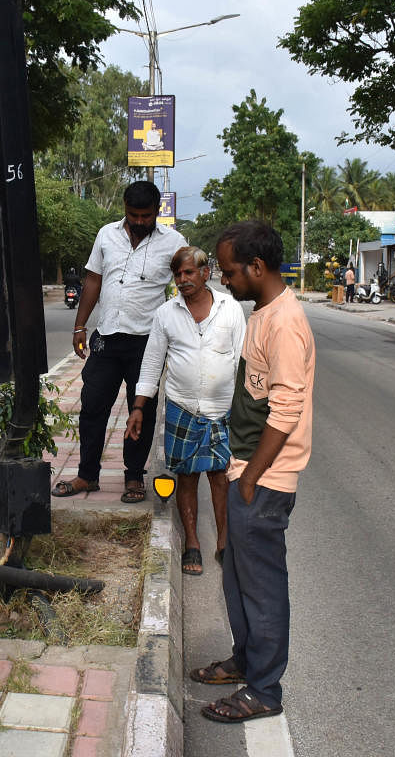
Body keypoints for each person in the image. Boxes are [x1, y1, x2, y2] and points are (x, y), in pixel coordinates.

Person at [191, 221, 316, 725]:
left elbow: (287, 408)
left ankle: (264, 689)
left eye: (228, 272)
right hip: (245, 469)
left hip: (263, 481)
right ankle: (245, 660)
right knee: (236, 574)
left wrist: (250, 477)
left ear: (257, 268)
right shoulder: (262, 315)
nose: (223, 281)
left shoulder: (285, 323)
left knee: (262, 586)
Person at [52, 181, 187, 504]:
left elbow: (186, 283)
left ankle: (133, 477)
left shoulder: (174, 242)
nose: (139, 221)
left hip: (148, 343)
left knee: (143, 410)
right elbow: (94, 280)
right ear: (124, 208)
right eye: (133, 214)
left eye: (146, 215)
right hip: (107, 338)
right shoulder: (106, 235)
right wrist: (79, 325)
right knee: (93, 406)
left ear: (157, 212)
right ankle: (87, 475)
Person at [126, 246, 245, 576]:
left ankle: (224, 543)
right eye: (178, 274)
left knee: (222, 479)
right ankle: (192, 542)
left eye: (189, 272)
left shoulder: (230, 310)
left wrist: (246, 412)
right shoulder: (166, 314)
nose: (183, 279)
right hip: (182, 407)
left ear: (206, 273)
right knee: (187, 478)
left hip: (222, 410)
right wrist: (139, 407)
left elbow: (241, 361)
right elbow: (152, 363)